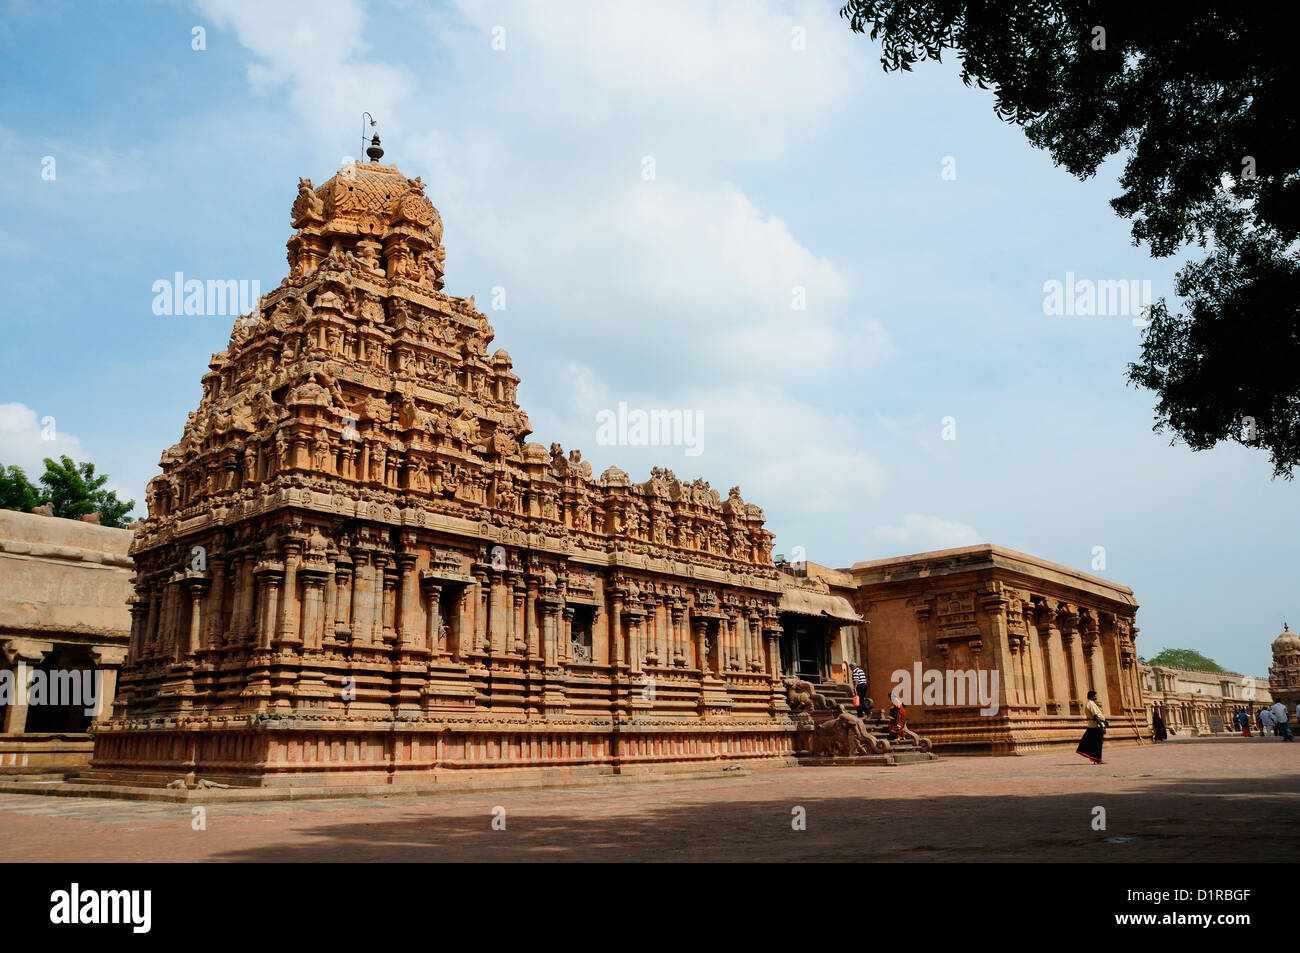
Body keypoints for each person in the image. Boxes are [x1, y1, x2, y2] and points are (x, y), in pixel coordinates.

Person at [1076, 690, 1108, 764]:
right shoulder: (1091, 704)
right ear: (1090, 696)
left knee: (1094, 743)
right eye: (1094, 696)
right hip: (1095, 726)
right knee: (1098, 743)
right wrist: (1101, 726)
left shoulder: (1091, 704)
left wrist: (1104, 721)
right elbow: (1095, 716)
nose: (1096, 697)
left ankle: (1096, 759)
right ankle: (1097, 759)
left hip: (1093, 726)